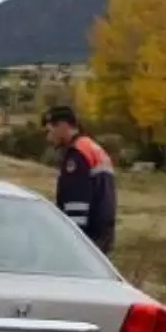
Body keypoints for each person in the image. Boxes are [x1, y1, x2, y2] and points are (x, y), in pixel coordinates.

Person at [44, 105, 116, 254]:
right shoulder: (92, 148)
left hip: (88, 236)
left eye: (50, 130)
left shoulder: (77, 154)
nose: (49, 137)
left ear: (63, 126)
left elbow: (76, 202)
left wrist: (73, 239)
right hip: (103, 232)